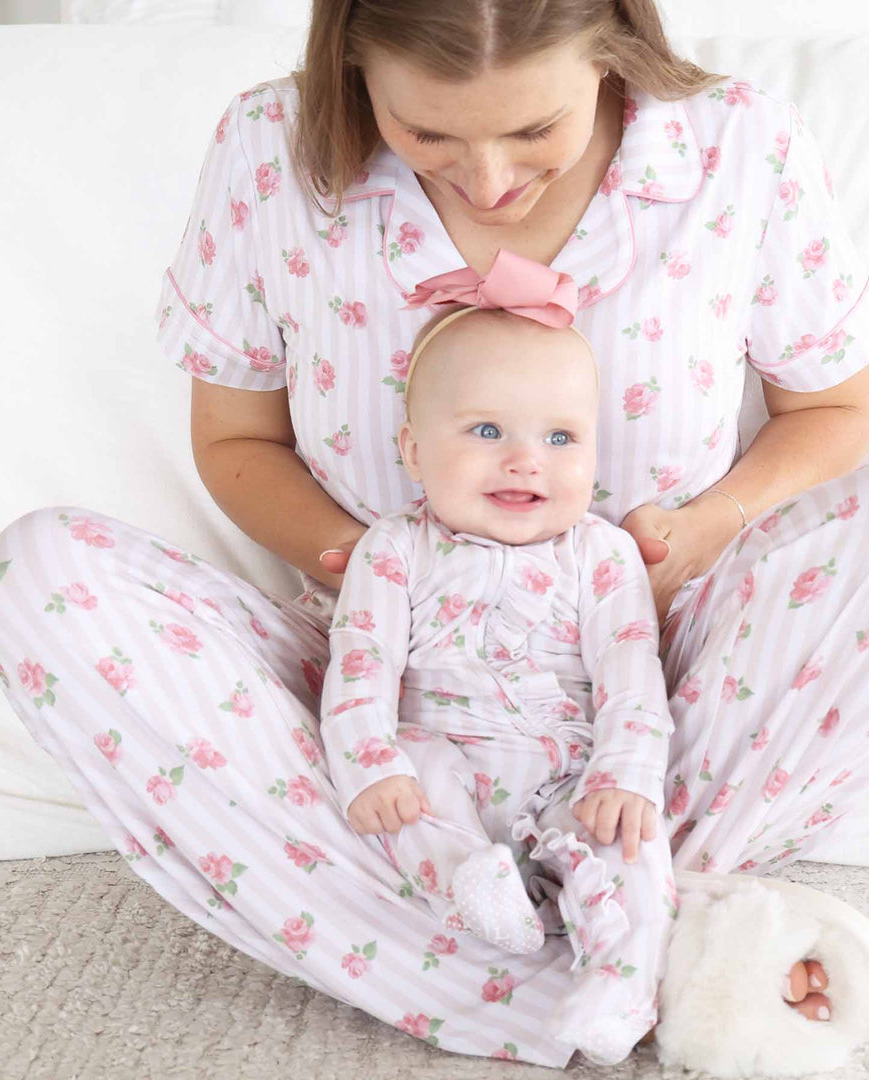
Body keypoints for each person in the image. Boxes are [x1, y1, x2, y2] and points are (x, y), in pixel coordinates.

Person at [0, 0, 869, 1070]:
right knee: (40, 577)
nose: (492, 181)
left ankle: (546, 903)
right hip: (376, 688)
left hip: (664, 675)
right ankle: (625, 953)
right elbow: (235, 436)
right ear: (354, 60)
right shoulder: (270, 153)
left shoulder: (736, 148)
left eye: (535, 133)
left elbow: (832, 410)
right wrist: (378, 575)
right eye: (428, 136)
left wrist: (702, 532)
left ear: (614, 50)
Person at [320, 255, 677, 1062]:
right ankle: (469, 884)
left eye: (561, 438)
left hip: (567, 768)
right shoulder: (396, 548)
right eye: (487, 431)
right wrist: (370, 761)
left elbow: (631, 673)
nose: (526, 460)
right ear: (413, 449)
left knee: (632, 842)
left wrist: (623, 770)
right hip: (443, 761)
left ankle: (620, 980)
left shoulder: (603, 553)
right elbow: (361, 662)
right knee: (399, 793)